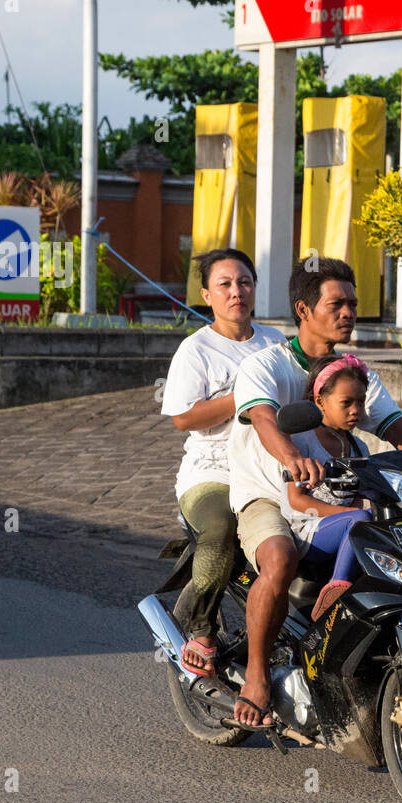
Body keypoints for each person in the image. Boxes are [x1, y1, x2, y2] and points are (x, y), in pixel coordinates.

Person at [226, 256, 402, 727]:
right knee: (280, 559)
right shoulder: (264, 365)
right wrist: (292, 459)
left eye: (353, 303)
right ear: (303, 310)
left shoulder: (352, 375)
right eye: (336, 303)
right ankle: (257, 677)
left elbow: (397, 428)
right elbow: (263, 418)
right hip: (267, 494)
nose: (348, 312)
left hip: (330, 502)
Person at [159, 248, 287, 679]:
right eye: (225, 285)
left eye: (245, 282)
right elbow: (183, 417)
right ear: (206, 295)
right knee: (220, 530)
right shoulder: (196, 350)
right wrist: (246, 394)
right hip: (212, 474)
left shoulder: (276, 343)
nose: (237, 292)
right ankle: (202, 631)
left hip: (269, 470)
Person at [276, 353, 375, 622]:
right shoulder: (302, 441)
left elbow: (357, 502)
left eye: (361, 402)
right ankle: (336, 589)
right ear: (320, 401)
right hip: (305, 530)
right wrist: (345, 517)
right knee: (362, 521)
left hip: (343, 528)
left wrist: (354, 518)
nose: (356, 410)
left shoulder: (358, 448)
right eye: (346, 402)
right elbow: (296, 500)